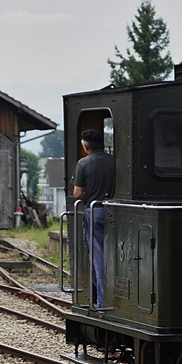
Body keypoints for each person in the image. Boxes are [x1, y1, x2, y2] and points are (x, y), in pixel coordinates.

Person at [72, 129, 116, 309]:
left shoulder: (83, 163)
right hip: (116, 211)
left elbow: (77, 193)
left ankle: (102, 302)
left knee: (98, 258)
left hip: (95, 210)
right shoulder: (114, 161)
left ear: (85, 146)